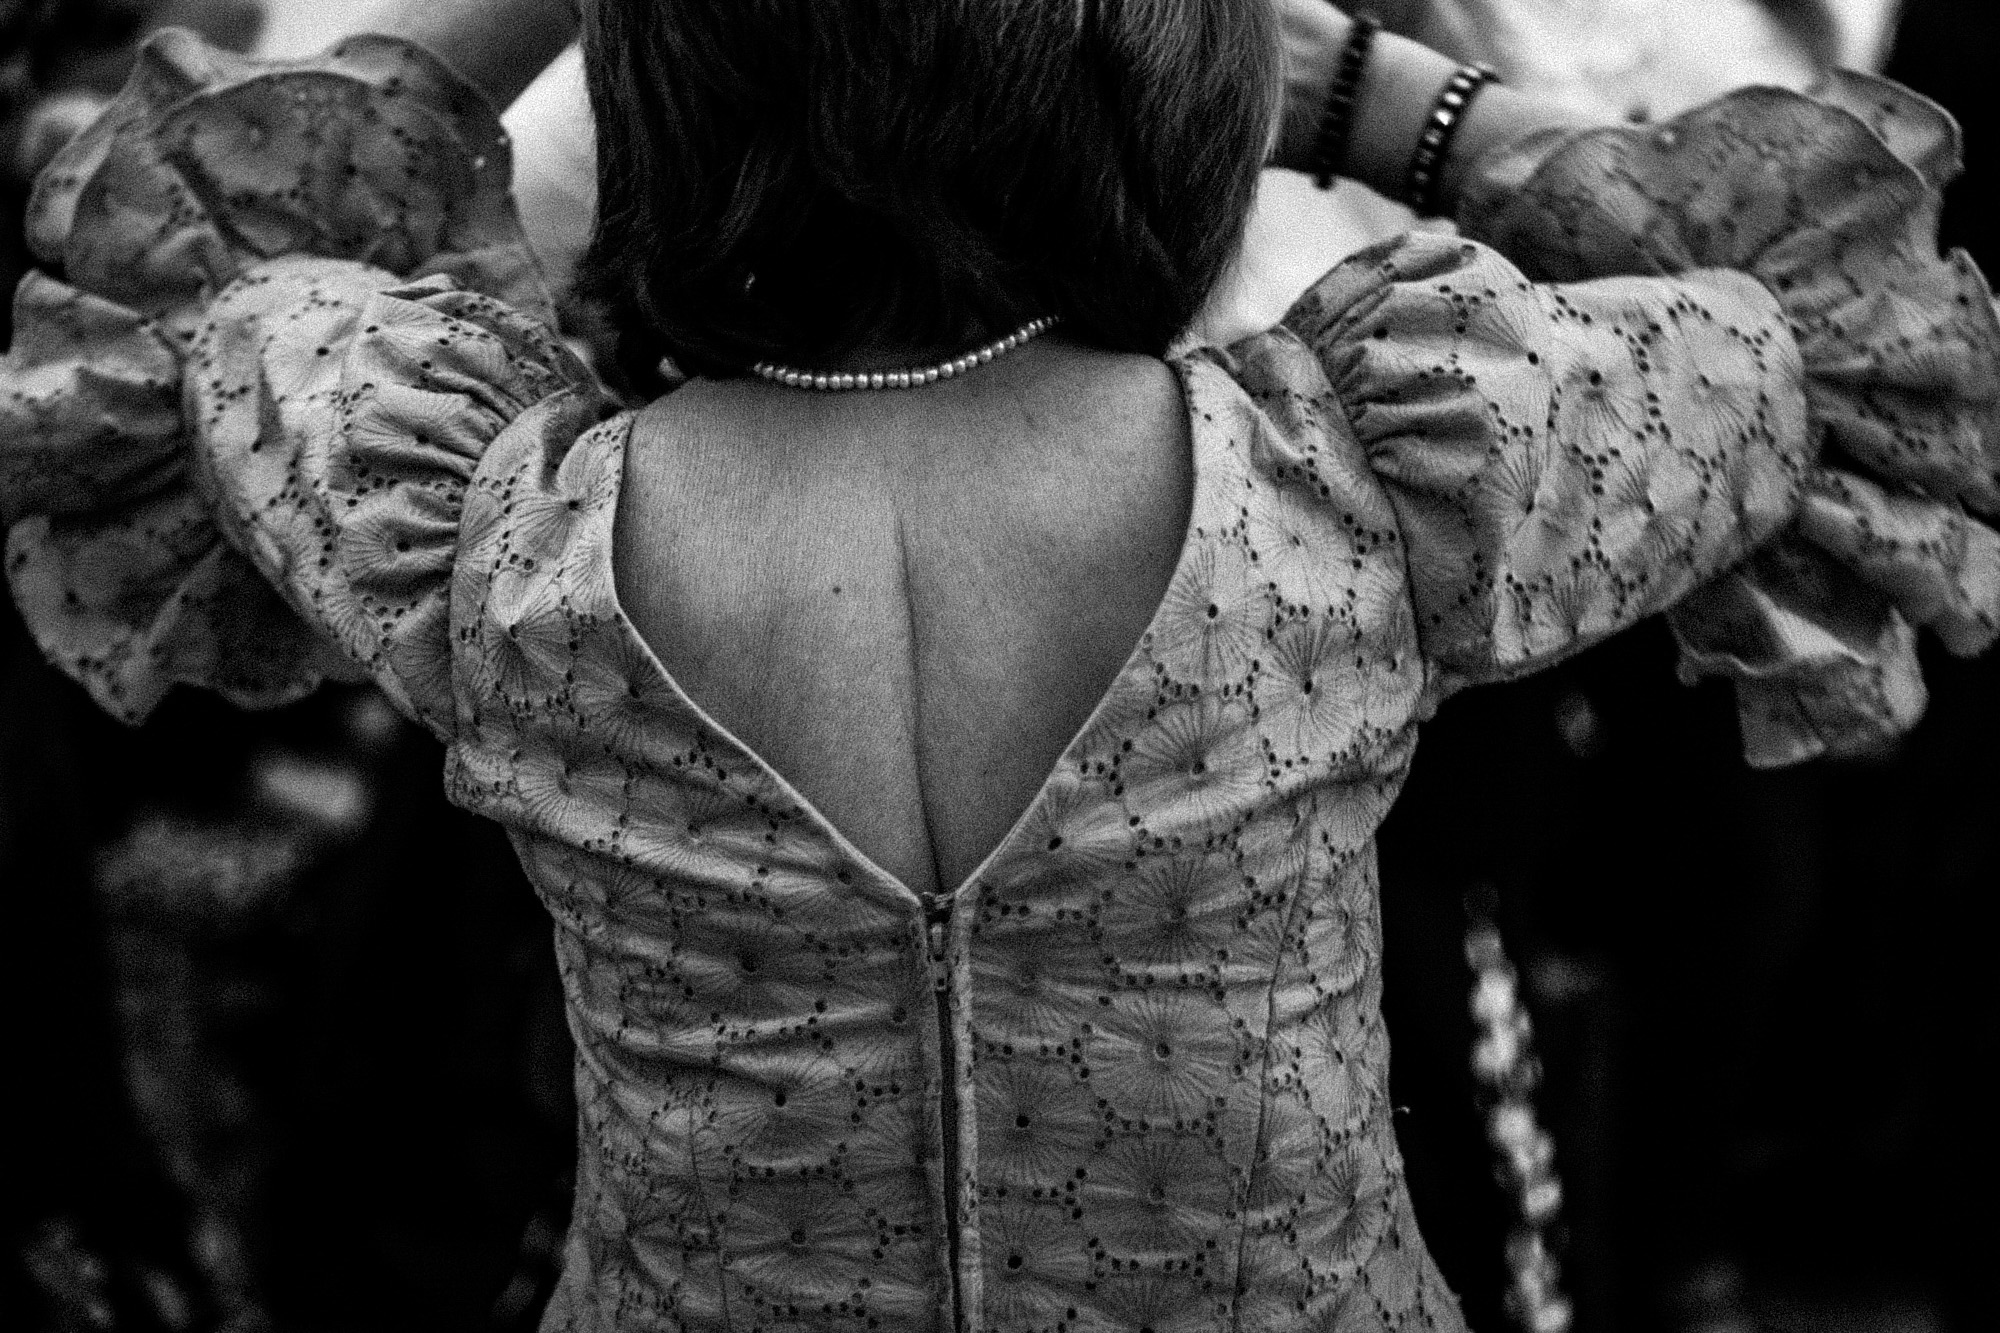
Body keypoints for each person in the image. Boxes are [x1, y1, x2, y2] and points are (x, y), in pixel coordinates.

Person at [3, 1, 1996, 1329]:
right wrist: (1387, 95)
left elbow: (187, 264)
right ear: (1186, 89)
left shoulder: (481, 530)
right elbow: (1833, 321)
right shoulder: (1386, 486)